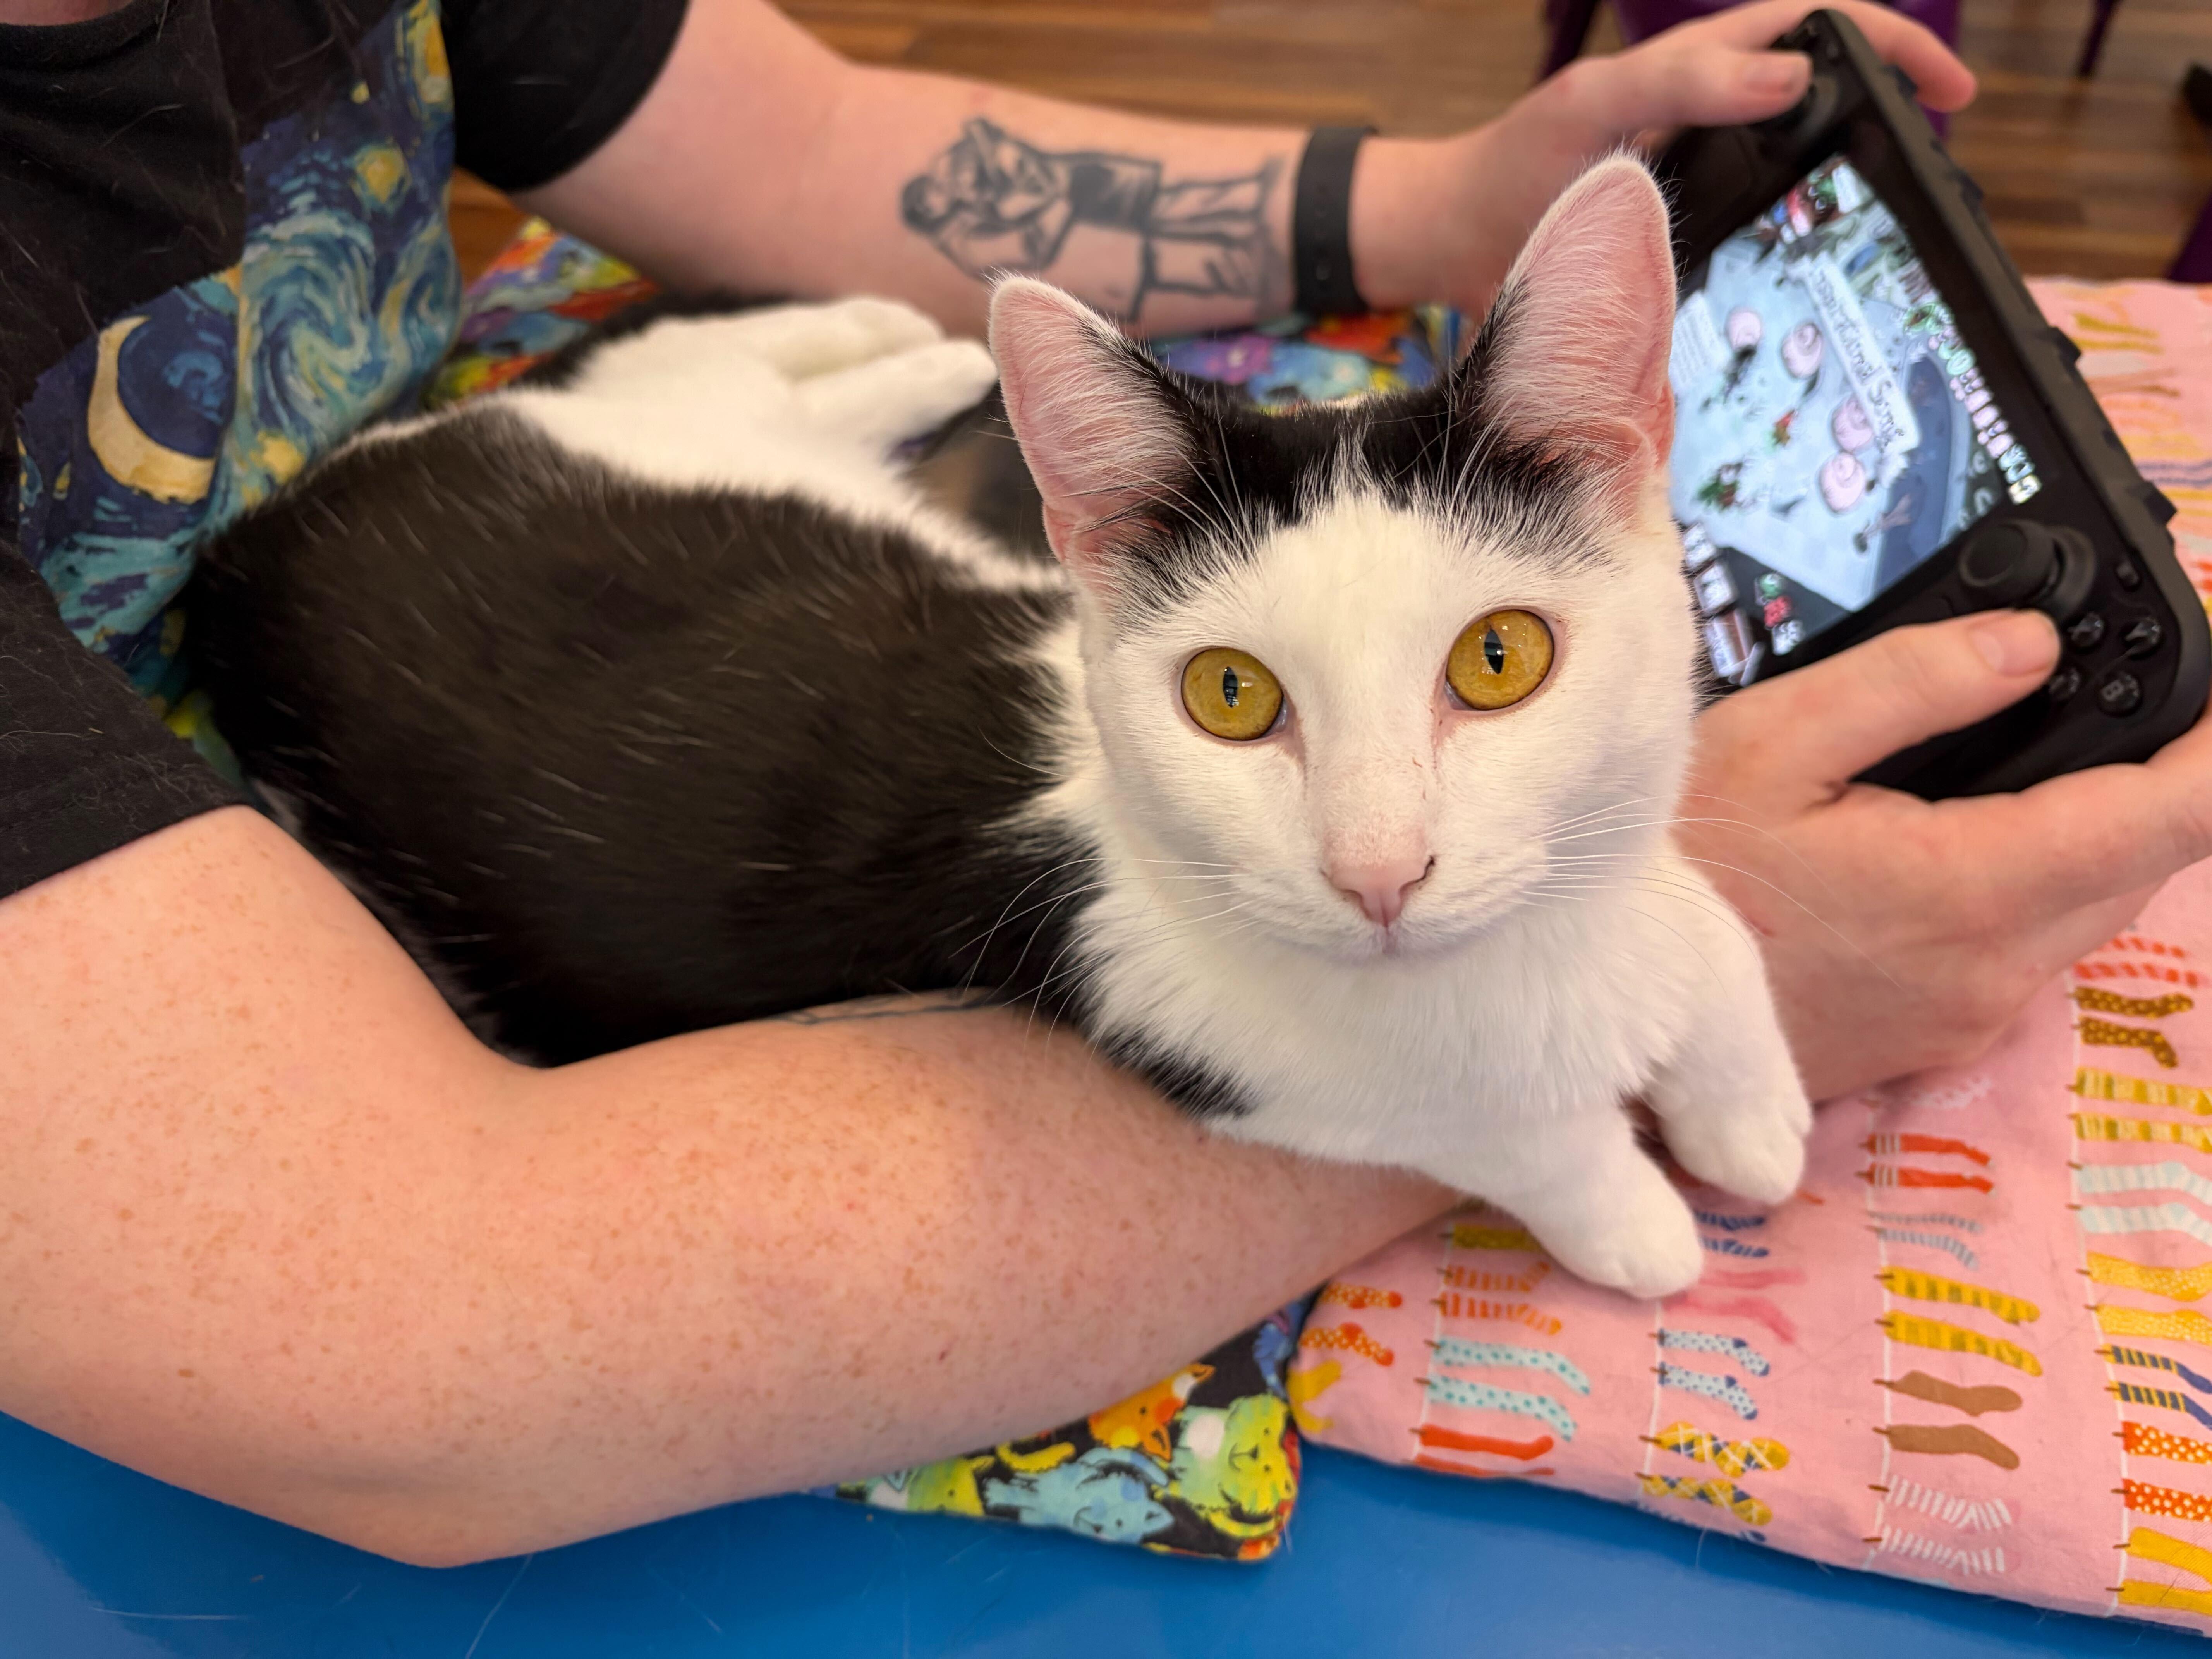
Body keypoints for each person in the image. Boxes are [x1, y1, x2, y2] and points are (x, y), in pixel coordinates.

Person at [0, 0, 2197, 1570]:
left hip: (544, 556)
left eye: (1506, 664)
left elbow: (760, 136)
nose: (1382, 843)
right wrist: (1634, 1002)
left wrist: (1438, 204)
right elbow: (405, 1353)